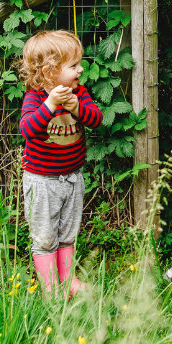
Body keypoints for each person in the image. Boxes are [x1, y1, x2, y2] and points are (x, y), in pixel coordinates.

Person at [17, 30, 103, 297]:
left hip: (72, 177)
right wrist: (51, 105)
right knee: (45, 237)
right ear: (50, 71)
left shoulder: (80, 93)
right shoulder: (35, 98)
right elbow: (27, 129)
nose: (80, 69)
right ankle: (50, 288)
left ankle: (68, 281)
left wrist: (77, 107)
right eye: (73, 65)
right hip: (42, 180)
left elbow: (96, 119)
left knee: (68, 233)